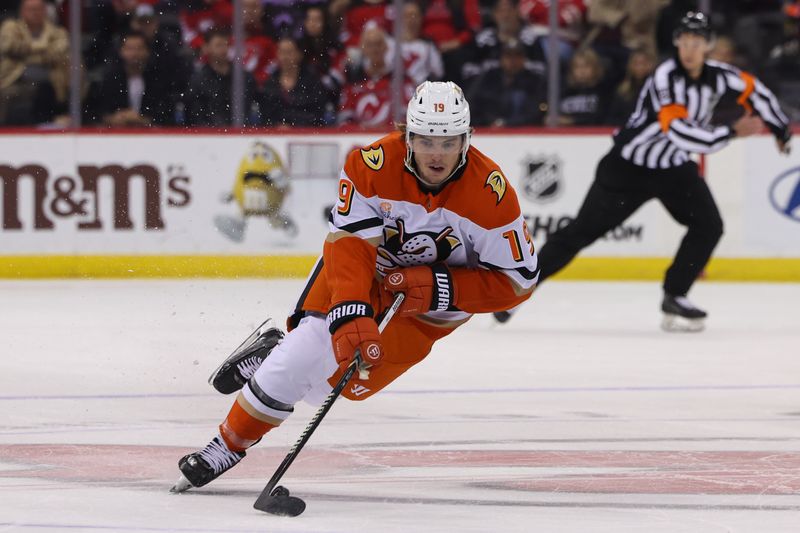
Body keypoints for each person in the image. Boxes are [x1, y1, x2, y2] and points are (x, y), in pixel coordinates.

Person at [172, 81, 539, 491]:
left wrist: (440, 288)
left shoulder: (492, 195)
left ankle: (271, 349)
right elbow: (348, 245)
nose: (437, 153)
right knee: (304, 352)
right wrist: (350, 308)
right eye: (425, 140)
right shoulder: (372, 165)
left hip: (430, 310)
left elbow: (517, 282)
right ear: (408, 136)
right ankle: (226, 445)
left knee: (333, 387)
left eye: (449, 141)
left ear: (466, 141)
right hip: (366, 272)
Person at [494, 12, 792, 332]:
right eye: (684, 42)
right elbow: (680, 132)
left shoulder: (721, 76)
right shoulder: (665, 76)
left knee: (709, 226)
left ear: (707, 46)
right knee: (579, 233)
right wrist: (732, 132)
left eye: (696, 43)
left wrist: (780, 129)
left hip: (673, 168)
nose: (689, 49)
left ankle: (675, 294)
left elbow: (756, 92)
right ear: (677, 43)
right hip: (627, 170)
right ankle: (519, 290)